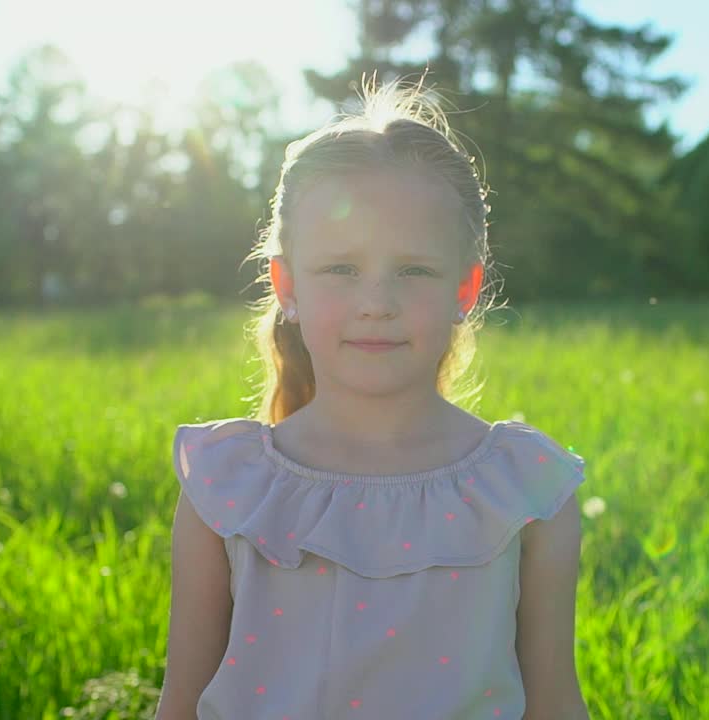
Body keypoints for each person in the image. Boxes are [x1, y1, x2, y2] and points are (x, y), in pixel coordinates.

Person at [155, 74, 590, 720]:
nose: (377, 304)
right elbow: (181, 706)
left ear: (464, 291)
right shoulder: (229, 486)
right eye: (341, 269)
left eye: (413, 270)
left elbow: (554, 703)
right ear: (287, 284)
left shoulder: (522, 491)